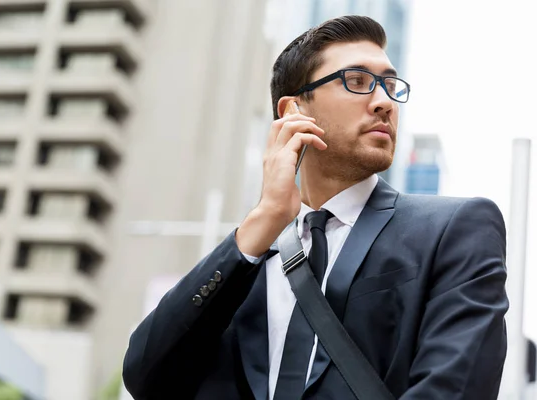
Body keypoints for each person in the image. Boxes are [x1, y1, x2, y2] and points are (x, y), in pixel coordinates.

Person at [122, 15, 508, 400]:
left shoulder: (455, 230)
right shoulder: (246, 260)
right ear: (294, 112)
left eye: (390, 85)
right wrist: (263, 221)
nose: (384, 102)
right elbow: (146, 378)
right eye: (356, 82)